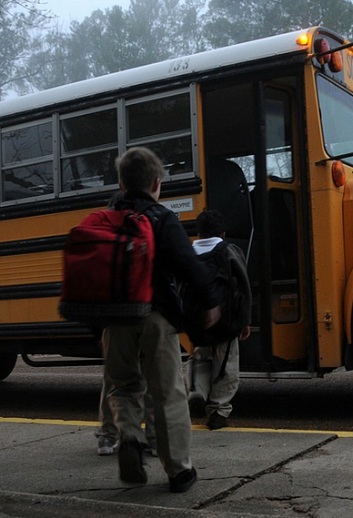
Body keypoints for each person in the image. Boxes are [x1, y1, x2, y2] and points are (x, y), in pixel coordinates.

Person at [101, 146, 219, 493]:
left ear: (122, 184)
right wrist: (210, 302)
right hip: (155, 315)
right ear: (156, 183)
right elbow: (189, 264)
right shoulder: (161, 218)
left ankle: (130, 438)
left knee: (122, 387)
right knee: (168, 393)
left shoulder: (105, 220)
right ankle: (179, 471)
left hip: (114, 319)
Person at [187, 210, 252, 430]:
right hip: (226, 321)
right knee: (226, 364)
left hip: (198, 322)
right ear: (222, 233)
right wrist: (245, 320)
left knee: (200, 358)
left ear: (199, 231)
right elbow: (243, 286)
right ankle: (218, 411)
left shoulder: (188, 252)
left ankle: (197, 391)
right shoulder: (229, 251)